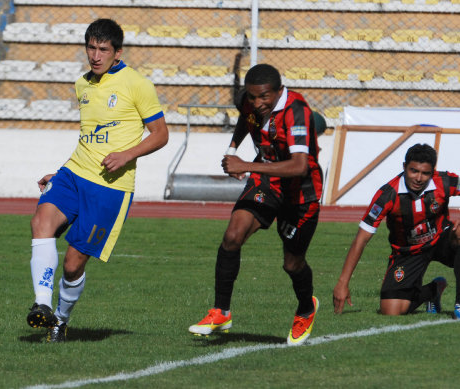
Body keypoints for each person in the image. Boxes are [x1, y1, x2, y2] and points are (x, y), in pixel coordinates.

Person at [26, 18, 168, 342]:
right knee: (41, 222)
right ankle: (42, 306)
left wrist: (127, 155)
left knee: (74, 265)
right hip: (74, 174)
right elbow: (89, 138)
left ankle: (59, 320)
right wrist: (61, 171)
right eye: (91, 47)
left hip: (109, 188)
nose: (95, 55)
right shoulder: (82, 84)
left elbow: (161, 135)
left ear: (117, 52)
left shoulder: (137, 85)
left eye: (103, 49)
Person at [188, 64, 324, 346]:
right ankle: (221, 312)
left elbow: (300, 166)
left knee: (292, 263)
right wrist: (232, 150)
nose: (257, 103)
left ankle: (306, 308)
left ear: (278, 90)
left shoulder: (297, 111)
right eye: (252, 97)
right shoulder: (249, 102)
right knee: (232, 237)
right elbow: (244, 119)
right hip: (267, 181)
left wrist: (245, 165)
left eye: (264, 97)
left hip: (301, 194)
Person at [333, 144, 460, 318]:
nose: (419, 178)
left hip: (441, 240)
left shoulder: (444, 181)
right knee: (390, 311)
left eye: (425, 173)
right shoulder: (387, 196)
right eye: (413, 171)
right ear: (404, 167)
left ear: (432, 172)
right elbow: (361, 239)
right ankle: (432, 291)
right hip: (408, 252)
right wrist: (342, 282)